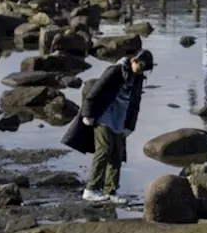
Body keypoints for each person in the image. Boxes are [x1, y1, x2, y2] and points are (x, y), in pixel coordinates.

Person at [61, 49, 154, 203]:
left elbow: (136, 104)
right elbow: (95, 91)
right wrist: (88, 114)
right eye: (140, 66)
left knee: (116, 154)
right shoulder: (115, 71)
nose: (141, 70)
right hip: (103, 117)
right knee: (104, 150)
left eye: (145, 68)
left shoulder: (138, 79)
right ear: (134, 60)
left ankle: (110, 191)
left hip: (120, 120)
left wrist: (131, 126)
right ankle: (90, 189)